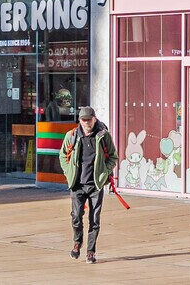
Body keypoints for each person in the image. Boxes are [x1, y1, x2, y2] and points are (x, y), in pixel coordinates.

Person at [60, 105, 117, 264]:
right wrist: (68, 172)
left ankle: (91, 251)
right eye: (84, 120)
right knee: (76, 216)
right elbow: (63, 155)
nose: (87, 123)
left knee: (95, 219)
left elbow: (113, 156)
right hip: (77, 184)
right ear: (79, 120)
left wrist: (104, 171)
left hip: (95, 185)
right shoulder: (72, 135)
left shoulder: (103, 135)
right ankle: (77, 242)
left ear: (94, 118)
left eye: (89, 120)